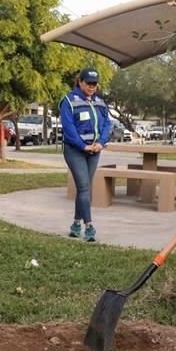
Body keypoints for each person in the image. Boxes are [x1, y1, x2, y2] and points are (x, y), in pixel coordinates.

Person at [60, 67, 112, 242]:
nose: (91, 87)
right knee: (83, 187)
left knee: (85, 188)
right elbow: (69, 129)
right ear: (80, 82)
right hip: (75, 151)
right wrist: (83, 146)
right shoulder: (68, 101)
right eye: (88, 83)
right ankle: (89, 225)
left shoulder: (100, 102)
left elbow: (107, 124)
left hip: (94, 151)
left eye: (94, 84)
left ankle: (76, 224)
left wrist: (101, 143)